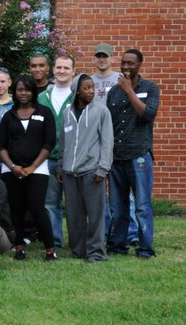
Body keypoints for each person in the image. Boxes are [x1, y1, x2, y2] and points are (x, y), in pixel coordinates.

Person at [0, 75, 58, 261]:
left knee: (37, 208)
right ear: (15, 92)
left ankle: (50, 250)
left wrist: (32, 166)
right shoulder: (9, 115)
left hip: (38, 169)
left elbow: (49, 143)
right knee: (16, 209)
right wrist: (13, 167)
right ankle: (19, 248)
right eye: (20, 90)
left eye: (27, 89)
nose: (23, 93)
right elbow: (1, 146)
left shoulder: (45, 113)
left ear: (33, 92)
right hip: (11, 169)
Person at [107, 49, 160, 259]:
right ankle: (118, 245)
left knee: (141, 206)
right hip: (116, 158)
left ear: (140, 64)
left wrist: (129, 91)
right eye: (123, 63)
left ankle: (145, 248)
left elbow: (147, 115)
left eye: (131, 63)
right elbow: (109, 124)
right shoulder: (113, 92)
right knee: (118, 207)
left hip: (139, 156)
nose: (126, 67)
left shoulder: (150, 88)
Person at [59, 74, 113, 262]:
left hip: (92, 171)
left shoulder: (101, 111)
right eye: (86, 88)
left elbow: (107, 142)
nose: (91, 91)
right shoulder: (67, 113)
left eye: (92, 87)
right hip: (69, 173)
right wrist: (60, 166)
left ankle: (96, 252)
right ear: (76, 90)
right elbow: (64, 143)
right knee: (74, 216)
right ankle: (78, 250)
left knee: (96, 216)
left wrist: (103, 168)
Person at [92, 43, 139, 246]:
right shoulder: (88, 81)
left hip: (117, 141)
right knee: (101, 191)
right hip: (95, 142)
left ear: (111, 59)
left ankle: (132, 232)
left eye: (105, 56)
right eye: (98, 56)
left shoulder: (120, 80)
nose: (102, 60)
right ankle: (106, 232)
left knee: (122, 192)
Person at [38, 54, 75, 249]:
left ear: (73, 72)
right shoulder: (42, 97)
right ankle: (55, 241)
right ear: (53, 70)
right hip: (48, 158)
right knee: (51, 203)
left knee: (74, 204)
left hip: (72, 160)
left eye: (66, 68)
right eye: (59, 67)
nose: (62, 71)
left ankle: (76, 240)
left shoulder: (78, 97)